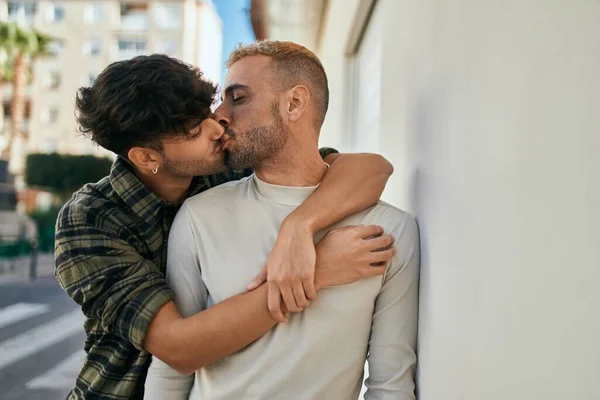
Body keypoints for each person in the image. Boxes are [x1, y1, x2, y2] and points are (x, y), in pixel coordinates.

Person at [55, 54, 396, 400]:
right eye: (193, 130)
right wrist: (316, 270)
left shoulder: (227, 166)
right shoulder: (89, 221)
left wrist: (300, 226)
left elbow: (369, 169)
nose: (217, 128)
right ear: (146, 157)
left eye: (206, 111)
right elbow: (178, 349)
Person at [145, 42, 420, 399]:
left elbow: (390, 384)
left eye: (238, 98)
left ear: (294, 104)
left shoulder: (389, 230)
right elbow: (170, 372)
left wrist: (300, 227)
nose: (219, 116)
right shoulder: (200, 216)